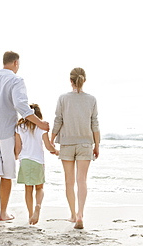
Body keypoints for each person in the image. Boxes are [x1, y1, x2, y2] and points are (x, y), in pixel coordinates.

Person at [0, 51, 50, 228]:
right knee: (6, 174)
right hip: (7, 132)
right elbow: (21, 105)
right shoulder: (16, 80)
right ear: (15, 63)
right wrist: (40, 123)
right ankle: (3, 213)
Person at [51, 67, 100, 229]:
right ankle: (80, 214)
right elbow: (95, 124)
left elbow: (58, 120)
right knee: (82, 181)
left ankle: (72, 214)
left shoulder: (63, 98)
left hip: (66, 143)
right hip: (85, 143)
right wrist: (97, 145)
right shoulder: (91, 99)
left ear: (70, 81)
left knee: (69, 181)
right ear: (84, 80)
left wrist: (51, 139)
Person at [14, 104, 59, 225]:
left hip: (25, 161)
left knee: (28, 189)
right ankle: (38, 207)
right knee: (40, 188)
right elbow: (48, 146)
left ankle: (30, 215)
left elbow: (18, 148)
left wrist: (13, 157)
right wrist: (55, 151)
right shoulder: (41, 128)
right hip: (38, 161)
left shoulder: (19, 127)